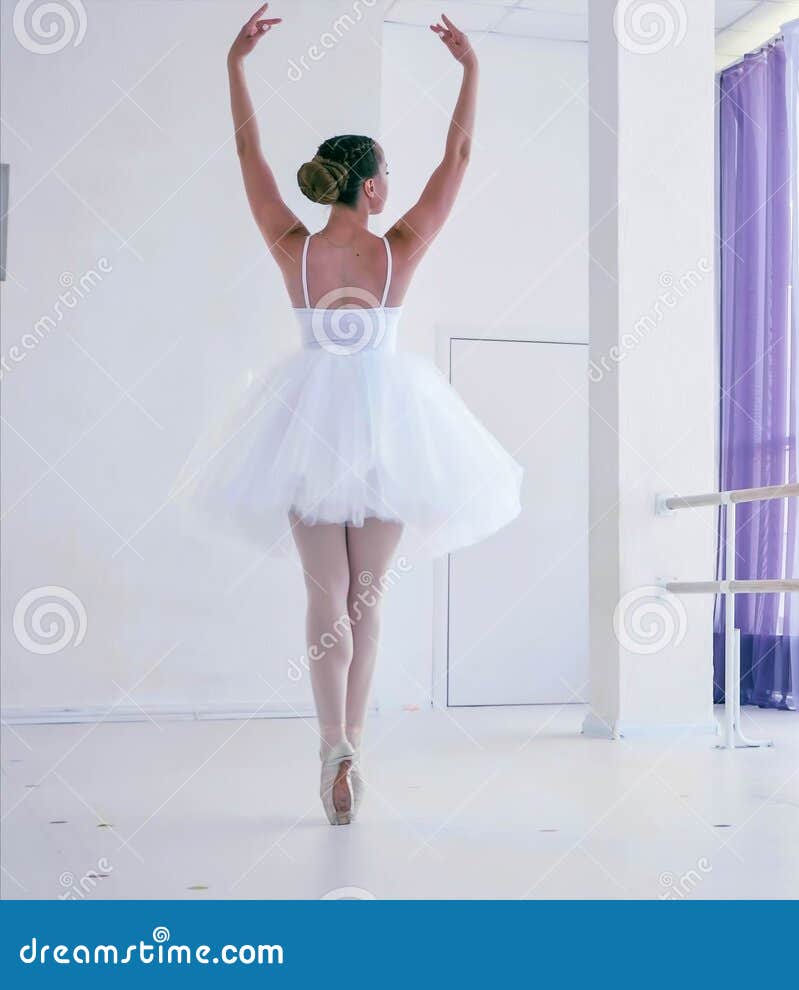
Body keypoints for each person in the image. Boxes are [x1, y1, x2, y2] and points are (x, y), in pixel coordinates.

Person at [187, 5, 523, 825]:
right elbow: (463, 154)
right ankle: (356, 747)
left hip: (305, 423)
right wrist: (472, 69)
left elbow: (245, 153)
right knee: (367, 600)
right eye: (386, 174)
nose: (393, 184)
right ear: (371, 184)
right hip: (385, 428)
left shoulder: (292, 246)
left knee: (323, 594)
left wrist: (235, 66)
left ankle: (330, 741)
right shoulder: (396, 246)